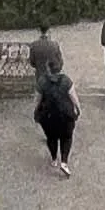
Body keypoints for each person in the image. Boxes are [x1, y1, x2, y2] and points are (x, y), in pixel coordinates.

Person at [33, 46, 79, 174]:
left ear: (48, 68)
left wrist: (37, 112)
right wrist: (77, 109)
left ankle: (54, 158)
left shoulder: (42, 82)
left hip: (48, 115)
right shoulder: (66, 81)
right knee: (67, 137)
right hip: (65, 115)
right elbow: (74, 97)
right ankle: (64, 162)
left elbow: (37, 100)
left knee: (51, 138)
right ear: (60, 67)